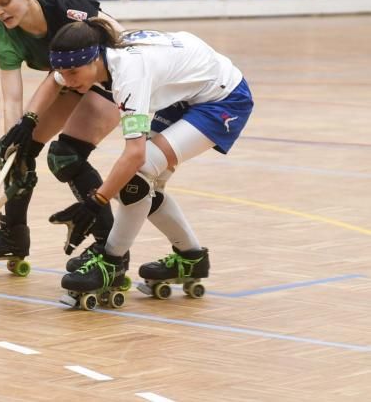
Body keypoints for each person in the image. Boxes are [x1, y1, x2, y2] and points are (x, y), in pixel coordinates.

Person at [45, 20, 253, 304]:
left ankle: (111, 263)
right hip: (186, 88)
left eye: (72, 73)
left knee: (137, 176)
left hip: (222, 98)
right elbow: (53, 83)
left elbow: (135, 155)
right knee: (144, 188)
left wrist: (95, 202)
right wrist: (25, 127)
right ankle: (191, 258)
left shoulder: (129, 75)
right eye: (62, 72)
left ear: (94, 58)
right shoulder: (89, 58)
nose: (68, 80)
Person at [0, 0, 123, 273]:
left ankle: (109, 248)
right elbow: (11, 99)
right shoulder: (7, 35)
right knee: (13, 151)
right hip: (67, 81)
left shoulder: (65, 7)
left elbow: (119, 36)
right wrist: (12, 143)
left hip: (110, 77)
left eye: (5, 2)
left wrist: (137, 88)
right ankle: (13, 237)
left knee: (66, 155)